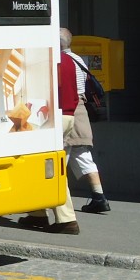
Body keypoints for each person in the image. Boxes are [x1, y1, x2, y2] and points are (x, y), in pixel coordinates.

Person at [19, 32, 81, 235]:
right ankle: (37, 213)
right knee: (39, 165)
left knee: (53, 169)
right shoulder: (69, 61)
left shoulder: (49, 59)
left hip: (52, 116)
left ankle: (67, 218)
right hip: (67, 115)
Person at [61, 28, 111, 213]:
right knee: (82, 155)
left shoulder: (63, 61)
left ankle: (57, 203)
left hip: (67, 109)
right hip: (80, 110)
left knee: (60, 157)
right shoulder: (79, 59)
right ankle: (99, 197)